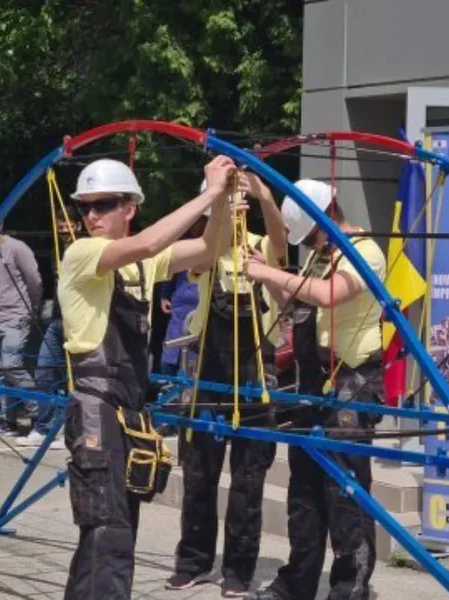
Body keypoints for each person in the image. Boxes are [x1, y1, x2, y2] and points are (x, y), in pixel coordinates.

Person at [57, 156, 237, 599]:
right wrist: (209, 193)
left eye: (105, 204)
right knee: (108, 532)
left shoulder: (141, 266)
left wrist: (224, 204)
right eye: (86, 207)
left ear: (129, 208)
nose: (92, 216)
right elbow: (144, 245)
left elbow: (210, 250)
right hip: (97, 410)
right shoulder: (82, 254)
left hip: (129, 413)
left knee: (113, 531)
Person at [243, 179, 385, 600]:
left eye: (311, 235)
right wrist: (268, 276)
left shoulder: (365, 252)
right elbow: (293, 305)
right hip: (311, 382)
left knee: (345, 493)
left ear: (328, 216)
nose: (309, 244)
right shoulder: (321, 258)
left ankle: (349, 588)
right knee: (303, 491)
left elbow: (327, 295)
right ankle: (297, 582)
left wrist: (268, 270)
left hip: (351, 383)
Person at [166, 173, 287, 597]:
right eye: (226, 202)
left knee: (248, 478)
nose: (236, 209)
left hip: (255, 369)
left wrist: (265, 195)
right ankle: (194, 560)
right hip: (208, 370)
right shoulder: (208, 248)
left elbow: (282, 242)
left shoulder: (262, 243)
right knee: (199, 471)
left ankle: (238, 569)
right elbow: (201, 263)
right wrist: (219, 206)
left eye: (240, 203)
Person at [16, 205, 83, 449]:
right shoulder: (58, 248)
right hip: (57, 318)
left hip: (76, 320)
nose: (63, 228)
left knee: (75, 377)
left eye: (68, 224)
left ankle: (69, 428)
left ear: (77, 225)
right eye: (60, 225)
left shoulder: (82, 246)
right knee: (45, 371)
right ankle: (44, 427)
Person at [0, 203, 42, 437]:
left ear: (0, 224)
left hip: (15, 314)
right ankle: (7, 420)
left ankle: (39, 412)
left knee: (11, 365)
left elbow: (34, 280)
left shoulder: (17, 248)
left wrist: (32, 308)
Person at [158, 215, 206, 377]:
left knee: (194, 349)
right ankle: (168, 384)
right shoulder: (185, 244)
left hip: (204, 301)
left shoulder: (218, 244)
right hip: (181, 299)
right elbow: (171, 269)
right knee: (173, 346)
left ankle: (187, 386)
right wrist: (165, 294)